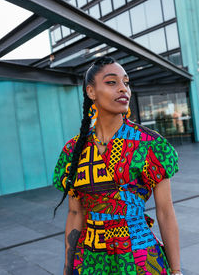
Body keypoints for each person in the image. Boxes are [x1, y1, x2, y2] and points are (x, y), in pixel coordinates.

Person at [53, 56, 182, 275]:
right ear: (91, 92)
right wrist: (67, 268)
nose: (123, 89)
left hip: (140, 259)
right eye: (112, 82)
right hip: (90, 262)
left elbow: (165, 212)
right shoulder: (73, 149)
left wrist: (177, 271)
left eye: (126, 82)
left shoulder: (150, 144)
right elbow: (75, 213)